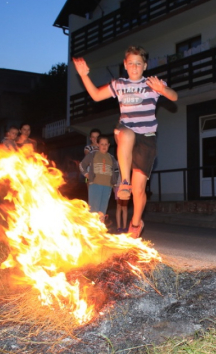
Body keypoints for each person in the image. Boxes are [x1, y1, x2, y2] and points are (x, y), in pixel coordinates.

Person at [73, 45, 178, 238]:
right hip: (126, 133)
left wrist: (162, 89)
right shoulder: (119, 84)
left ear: (145, 65)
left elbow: (174, 96)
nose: (135, 67)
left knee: (139, 191)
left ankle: (136, 224)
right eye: (131, 63)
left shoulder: (152, 83)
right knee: (126, 134)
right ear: (125, 65)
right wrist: (83, 75)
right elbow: (96, 95)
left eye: (139, 63)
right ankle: (124, 181)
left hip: (147, 139)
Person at [79, 135, 119, 223]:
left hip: (107, 186)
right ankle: (91, 230)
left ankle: (100, 230)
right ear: (98, 145)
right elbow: (82, 165)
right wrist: (86, 174)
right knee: (93, 209)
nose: (104, 146)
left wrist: (115, 183)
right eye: (102, 144)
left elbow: (116, 171)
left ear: (109, 145)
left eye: (106, 144)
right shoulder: (93, 155)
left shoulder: (111, 158)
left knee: (102, 210)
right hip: (95, 185)